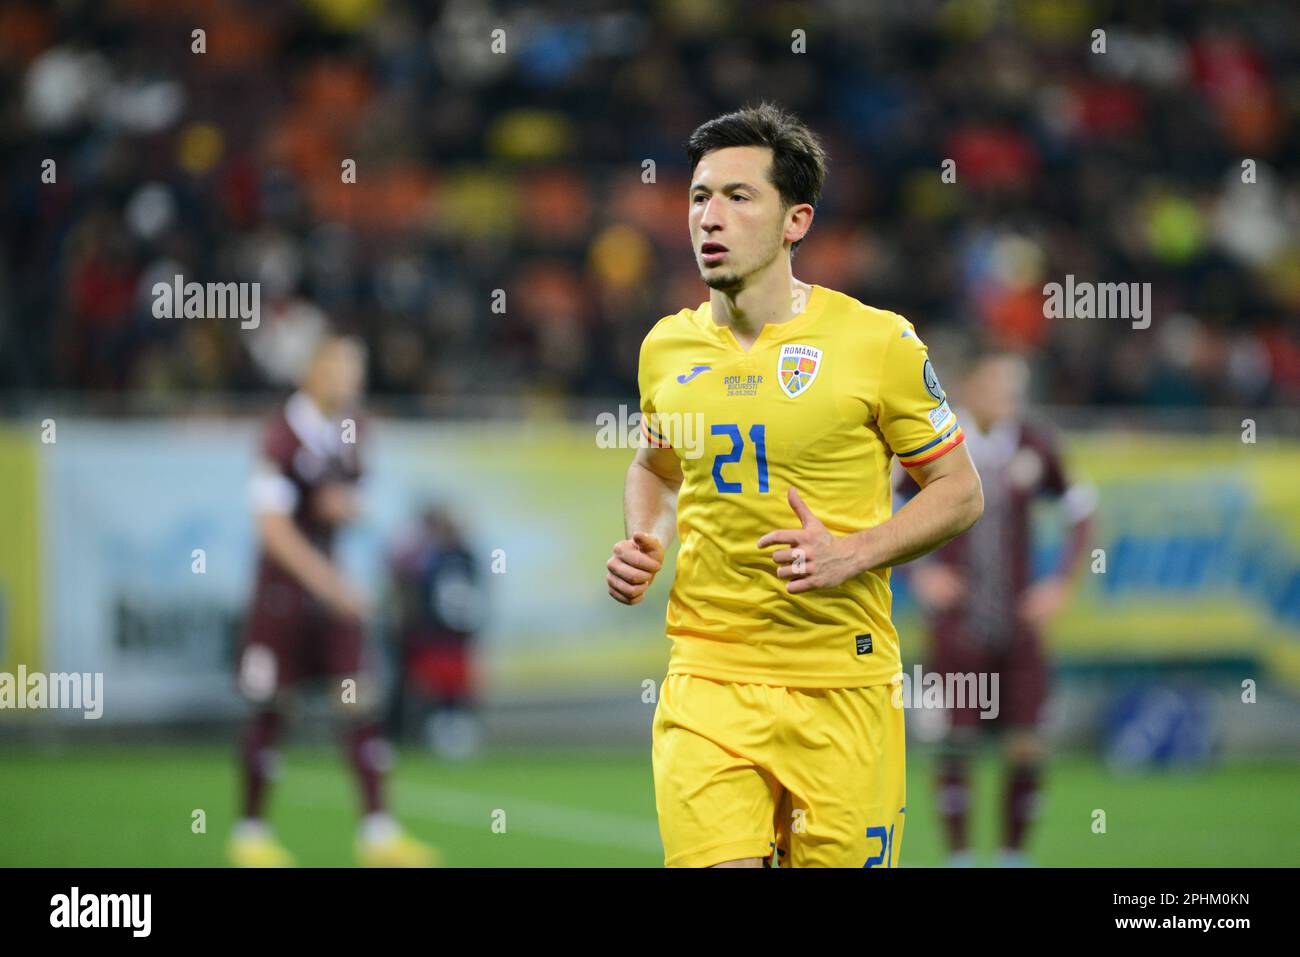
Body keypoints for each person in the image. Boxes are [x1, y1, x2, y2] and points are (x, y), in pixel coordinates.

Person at [606, 103, 984, 867]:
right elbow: (655, 465)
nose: (709, 216)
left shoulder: (878, 342)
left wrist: (853, 552)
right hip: (708, 675)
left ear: (795, 220)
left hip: (841, 684)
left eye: (739, 197)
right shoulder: (666, 348)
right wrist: (647, 534)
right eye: (699, 196)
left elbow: (959, 489)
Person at [230, 332, 438, 867]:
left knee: (359, 701)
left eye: (358, 368)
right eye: (343, 367)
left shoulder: (354, 431)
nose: (353, 379)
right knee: (271, 707)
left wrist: (342, 507)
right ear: (313, 372)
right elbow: (272, 529)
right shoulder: (281, 436)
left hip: (331, 597)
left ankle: (378, 835)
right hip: (282, 599)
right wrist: (329, 583)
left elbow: (349, 498)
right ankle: (249, 835)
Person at [898, 346, 1096, 867]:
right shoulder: (938, 440)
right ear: (971, 388)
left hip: (1019, 619)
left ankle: (1012, 855)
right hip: (958, 624)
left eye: (1016, 389)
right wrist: (921, 570)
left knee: (1027, 743)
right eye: (999, 387)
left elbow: (1082, 511)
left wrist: (1058, 584)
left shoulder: (1035, 444)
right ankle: (960, 855)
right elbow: (888, 502)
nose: (1010, 399)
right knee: (955, 740)